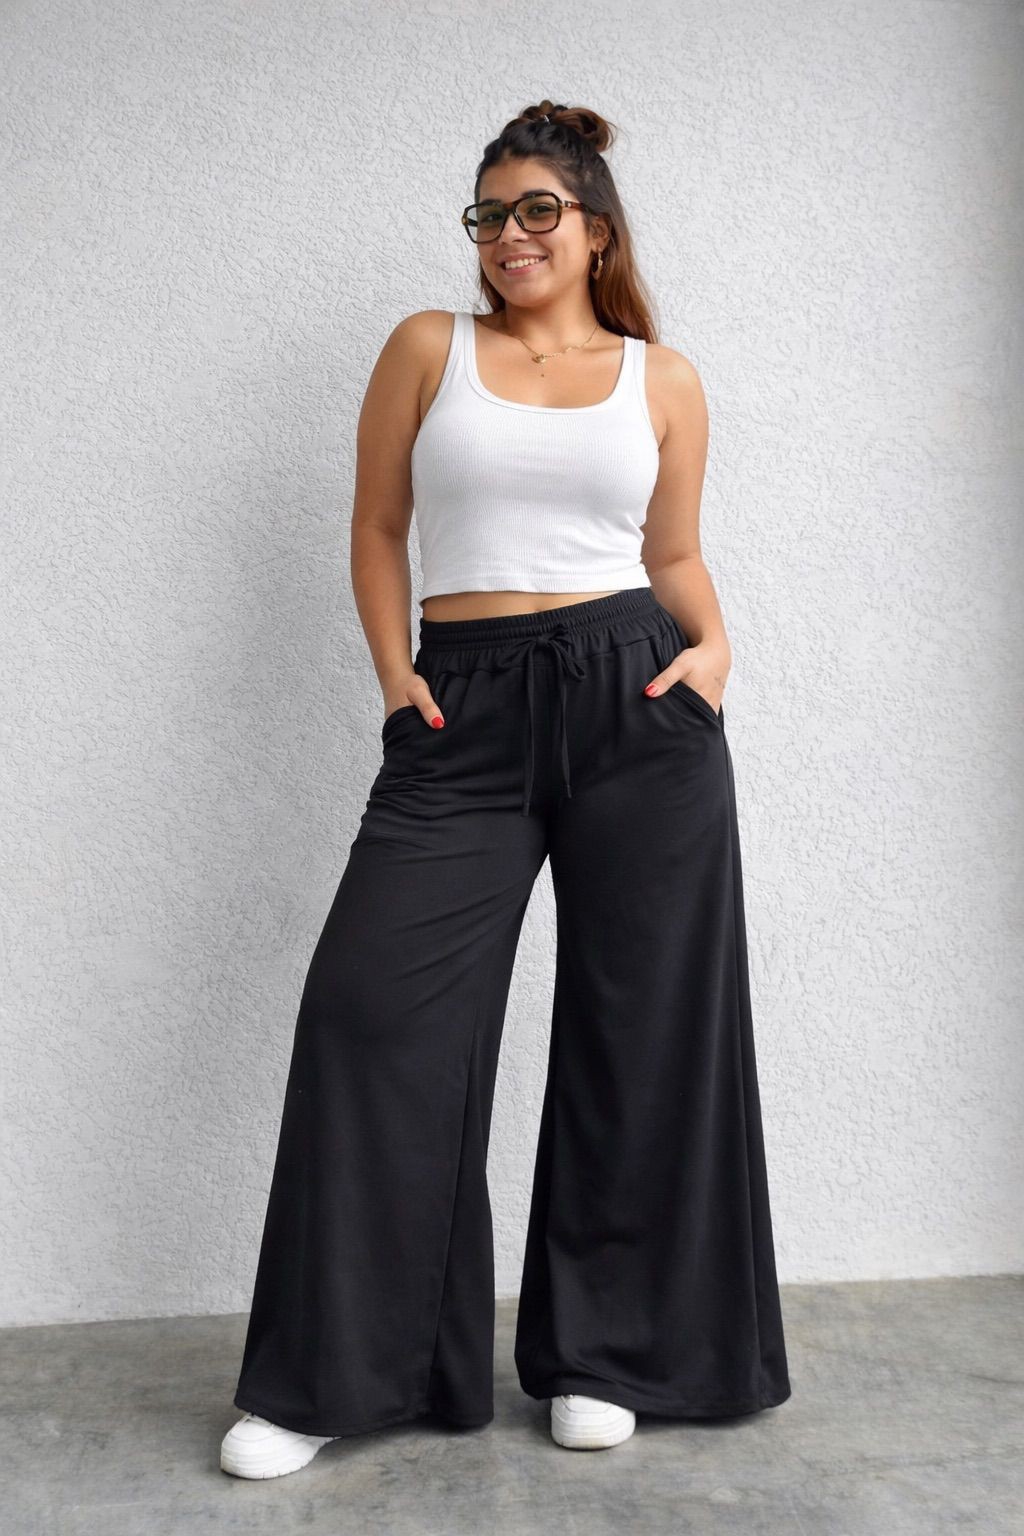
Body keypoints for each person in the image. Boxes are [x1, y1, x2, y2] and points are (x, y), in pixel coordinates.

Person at [220, 99, 791, 1479]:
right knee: (372, 1015)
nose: (509, 235)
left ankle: (611, 1355)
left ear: (596, 229)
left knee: (640, 1029)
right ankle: (337, 1373)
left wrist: (716, 651)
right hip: (460, 711)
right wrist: (393, 677)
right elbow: (378, 525)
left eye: (538, 209)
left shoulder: (664, 378)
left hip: (636, 703)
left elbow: (672, 553)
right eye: (489, 214)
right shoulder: (430, 348)